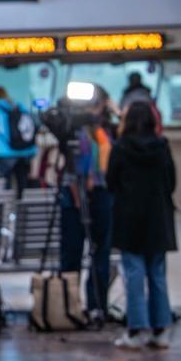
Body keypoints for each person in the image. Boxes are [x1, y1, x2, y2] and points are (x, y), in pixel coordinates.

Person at [107, 101, 177, 349]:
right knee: (157, 274)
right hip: (158, 217)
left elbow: (111, 181)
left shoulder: (121, 148)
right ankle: (161, 329)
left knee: (134, 274)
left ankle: (136, 330)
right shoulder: (162, 146)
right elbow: (171, 182)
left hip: (129, 218)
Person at [59, 86, 115, 323]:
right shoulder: (70, 130)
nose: (90, 110)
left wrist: (115, 111)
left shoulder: (108, 131)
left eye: (95, 104)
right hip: (73, 196)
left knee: (101, 252)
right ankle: (69, 307)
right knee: (71, 253)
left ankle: (97, 305)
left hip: (102, 193)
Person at [0, 86, 35, 197]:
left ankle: (9, 211)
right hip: (25, 151)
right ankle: (21, 207)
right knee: (22, 185)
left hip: (3, 152)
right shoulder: (19, 106)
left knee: (6, 187)